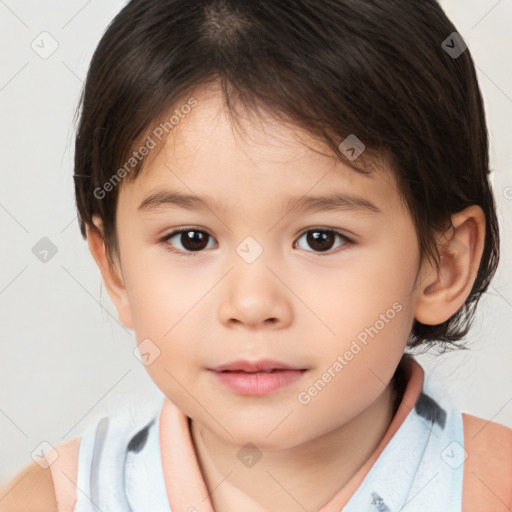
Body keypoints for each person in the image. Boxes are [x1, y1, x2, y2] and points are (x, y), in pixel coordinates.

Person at [1, 0, 511, 510]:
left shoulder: (493, 487)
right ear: (115, 268)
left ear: (444, 266)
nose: (250, 304)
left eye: (321, 239)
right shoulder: (55, 500)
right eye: (191, 239)